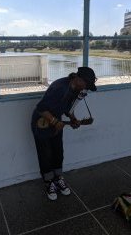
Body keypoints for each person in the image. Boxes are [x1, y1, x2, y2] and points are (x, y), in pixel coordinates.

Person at [31, 67, 97, 201]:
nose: (87, 88)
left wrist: (73, 120)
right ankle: (49, 182)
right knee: (45, 154)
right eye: (87, 85)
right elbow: (41, 108)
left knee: (58, 151)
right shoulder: (60, 87)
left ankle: (58, 178)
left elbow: (68, 109)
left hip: (56, 122)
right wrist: (55, 121)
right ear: (78, 79)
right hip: (42, 123)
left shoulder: (76, 89)